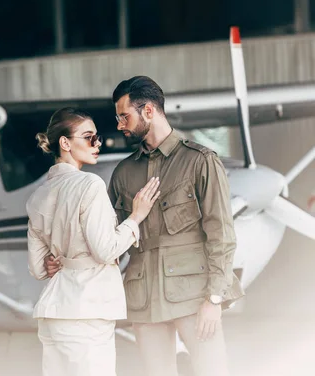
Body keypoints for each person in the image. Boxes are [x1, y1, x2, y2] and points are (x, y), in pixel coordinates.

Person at [46, 77, 244, 376]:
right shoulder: (124, 172)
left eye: (124, 116)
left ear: (149, 111)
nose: (120, 125)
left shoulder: (200, 161)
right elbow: (104, 238)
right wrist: (62, 260)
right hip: (143, 298)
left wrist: (214, 299)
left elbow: (222, 236)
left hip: (194, 295)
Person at [27, 107, 160, 376]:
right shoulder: (90, 184)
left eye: (97, 138)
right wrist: (135, 218)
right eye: (89, 137)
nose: (97, 144)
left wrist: (56, 261)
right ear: (65, 143)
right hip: (86, 311)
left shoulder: (37, 195)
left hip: (53, 314)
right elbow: (105, 250)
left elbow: (38, 268)